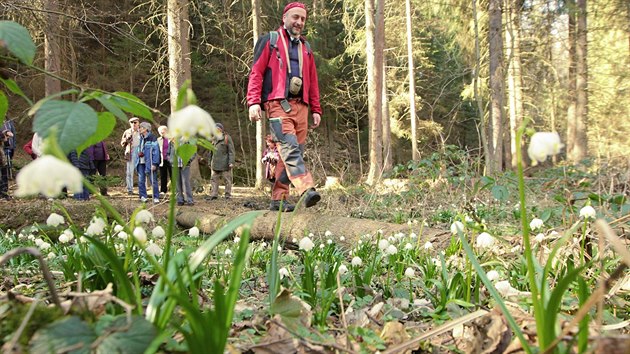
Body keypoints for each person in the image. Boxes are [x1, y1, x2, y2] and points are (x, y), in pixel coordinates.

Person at [247, 2, 321, 212]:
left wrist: (316, 109)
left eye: (303, 19)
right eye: (295, 17)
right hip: (278, 104)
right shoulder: (270, 41)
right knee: (289, 148)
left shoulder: (305, 47)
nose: (299, 22)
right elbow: (256, 73)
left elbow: (313, 81)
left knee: (291, 152)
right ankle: (306, 189)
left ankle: (278, 199)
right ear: (285, 18)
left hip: (302, 107)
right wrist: (253, 102)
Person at [207, 123, 235, 200]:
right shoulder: (213, 139)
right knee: (214, 180)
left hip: (225, 163)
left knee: (227, 180)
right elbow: (210, 152)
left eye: (218, 129)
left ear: (221, 130)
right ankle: (214, 194)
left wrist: (231, 162)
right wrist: (209, 162)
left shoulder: (227, 138)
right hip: (215, 163)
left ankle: (227, 195)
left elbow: (231, 151)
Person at [136, 122, 160, 204]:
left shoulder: (152, 138)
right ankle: (143, 196)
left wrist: (155, 163)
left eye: (141, 128)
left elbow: (156, 152)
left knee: (153, 180)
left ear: (146, 129)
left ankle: (156, 197)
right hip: (140, 162)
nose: (139, 129)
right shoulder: (139, 138)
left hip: (149, 162)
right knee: (141, 180)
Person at [120, 117, 141, 195]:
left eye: (135, 122)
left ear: (138, 123)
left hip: (140, 152)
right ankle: (130, 189)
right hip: (130, 152)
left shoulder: (142, 131)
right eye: (131, 123)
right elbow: (122, 143)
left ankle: (142, 188)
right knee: (129, 172)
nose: (133, 124)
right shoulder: (127, 131)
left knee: (141, 171)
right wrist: (126, 140)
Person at [173, 139, 195, 206]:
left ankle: (189, 200)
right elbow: (168, 152)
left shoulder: (189, 141)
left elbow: (193, 152)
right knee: (177, 183)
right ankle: (180, 199)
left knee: (185, 182)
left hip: (185, 165)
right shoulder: (173, 141)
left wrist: (189, 159)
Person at [157, 125, 172, 198]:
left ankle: (176, 190)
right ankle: (163, 190)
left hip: (171, 159)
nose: (162, 133)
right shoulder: (158, 140)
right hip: (162, 160)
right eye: (160, 132)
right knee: (163, 176)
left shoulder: (171, 139)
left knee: (173, 175)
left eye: (163, 131)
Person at [0, 129, 14, 199]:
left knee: (4, 174)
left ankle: (4, 192)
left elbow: (6, 143)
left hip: (2, 158)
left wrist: (6, 133)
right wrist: (4, 135)